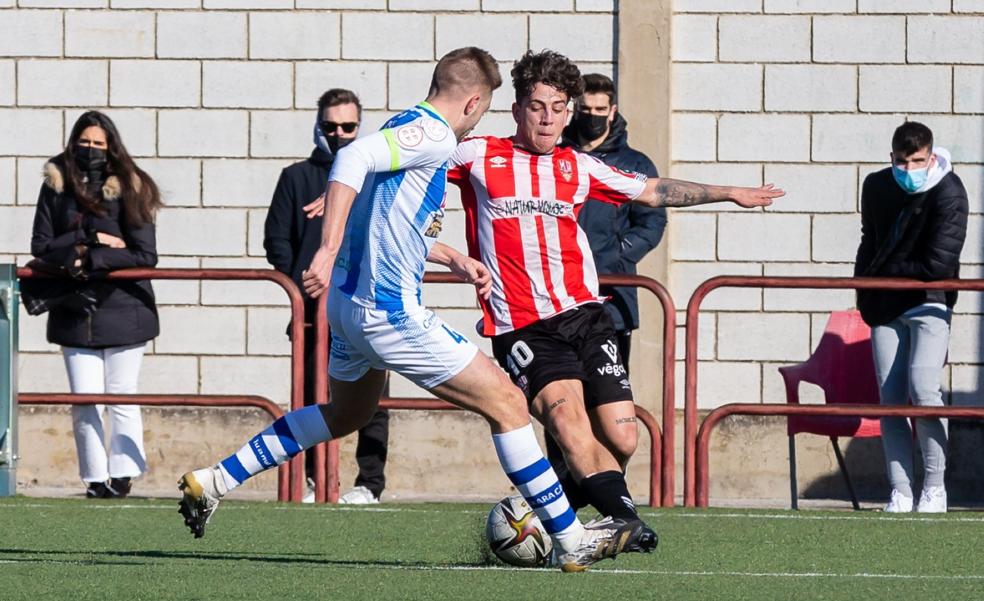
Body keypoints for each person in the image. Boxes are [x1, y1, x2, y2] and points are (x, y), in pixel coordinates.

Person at [178, 46, 652, 573]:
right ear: (473, 100)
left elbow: (391, 220)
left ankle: (214, 479)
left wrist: (450, 254)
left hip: (347, 309)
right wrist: (327, 246)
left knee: (346, 415)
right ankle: (570, 537)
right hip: (389, 312)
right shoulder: (432, 133)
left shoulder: (405, 130)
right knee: (508, 406)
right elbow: (351, 158)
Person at [446, 50, 783, 521]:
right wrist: (348, 188)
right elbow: (411, 161)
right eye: (538, 106)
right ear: (518, 108)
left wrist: (728, 193)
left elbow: (652, 191)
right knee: (569, 422)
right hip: (525, 325)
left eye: (558, 107)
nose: (548, 119)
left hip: (586, 315)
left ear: (570, 111)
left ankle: (548, 511)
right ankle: (625, 523)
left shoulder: (577, 166)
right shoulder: (478, 154)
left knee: (624, 436)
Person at [264, 88, 389, 505]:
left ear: (360, 126)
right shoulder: (296, 177)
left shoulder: (375, 175)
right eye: (331, 126)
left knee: (373, 400)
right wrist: (307, 285)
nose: (339, 134)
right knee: (311, 396)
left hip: (366, 307)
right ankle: (313, 479)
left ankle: (369, 483)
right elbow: (277, 242)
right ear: (318, 126)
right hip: (312, 316)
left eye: (349, 126)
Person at [28, 110, 162, 499]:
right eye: (84, 143)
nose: (90, 150)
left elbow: (144, 255)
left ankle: (124, 474)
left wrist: (93, 256)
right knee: (84, 399)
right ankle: (93, 477)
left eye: (99, 144)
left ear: (112, 147)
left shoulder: (132, 186)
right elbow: (40, 246)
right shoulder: (55, 185)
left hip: (125, 307)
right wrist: (93, 243)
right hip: (72, 305)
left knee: (121, 395)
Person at [854, 121, 967, 513]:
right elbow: (869, 237)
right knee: (891, 401)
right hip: (885, 304)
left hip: (929, 301)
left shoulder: (949, 190)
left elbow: (939, 260)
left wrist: (884, 273)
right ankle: (900, 490)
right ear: (892, 159)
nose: (909, 169)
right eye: (902, 162)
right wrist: (865, 288)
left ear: (931, 157)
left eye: (917, 161)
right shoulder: (877, 185)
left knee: (924, 390)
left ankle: (934, 487)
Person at [561, 73, 665, 368]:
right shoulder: (555, 157)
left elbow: (652, 222)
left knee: (612, 392)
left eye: (599, 110)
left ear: (613, 111)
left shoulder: (635, 164)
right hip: (560, 292)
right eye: (585, 110)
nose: (592, 117)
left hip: (613, 294)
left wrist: (618, 254)